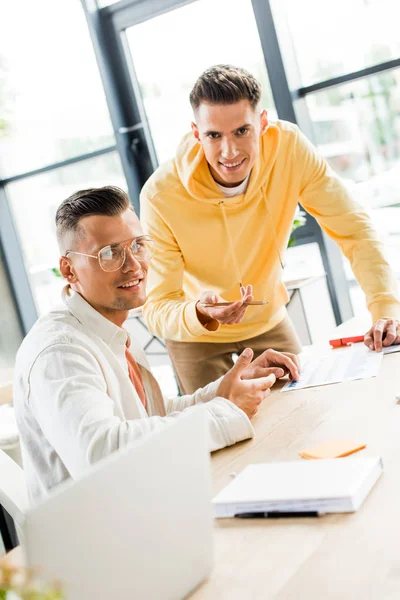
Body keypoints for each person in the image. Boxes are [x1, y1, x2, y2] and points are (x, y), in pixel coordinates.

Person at [13, 186, 299, 504]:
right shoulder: (59, 352)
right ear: (68, 270)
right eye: (109, 253)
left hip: (142, 510)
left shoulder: (108, 328)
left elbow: (149, 417)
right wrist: (225, 411)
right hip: (100, 540)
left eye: (138, 245)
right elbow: (101, 455)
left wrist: (225, 390)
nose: (134, 265)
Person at [140, 64, 400, 394]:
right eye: (214, 136)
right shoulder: (161, 195)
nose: (229, 151)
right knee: (224, 434)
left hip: (269, 320)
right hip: (197, 336)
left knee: (306, 411)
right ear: (196, 133)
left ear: (262, 123)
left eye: (241, 131)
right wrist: (199, 313)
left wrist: (386, 308)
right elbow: (157, 306)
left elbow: (354, 229)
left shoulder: (289, 149)